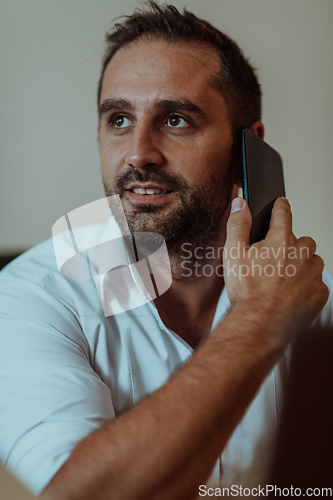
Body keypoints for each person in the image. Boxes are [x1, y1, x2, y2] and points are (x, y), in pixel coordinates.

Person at [0, 2, 332, 499]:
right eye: (118, 119)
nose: (138, 153)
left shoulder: (316, 300)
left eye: (176, 120)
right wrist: (259, 321)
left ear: (250, 150)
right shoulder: (28, 300)